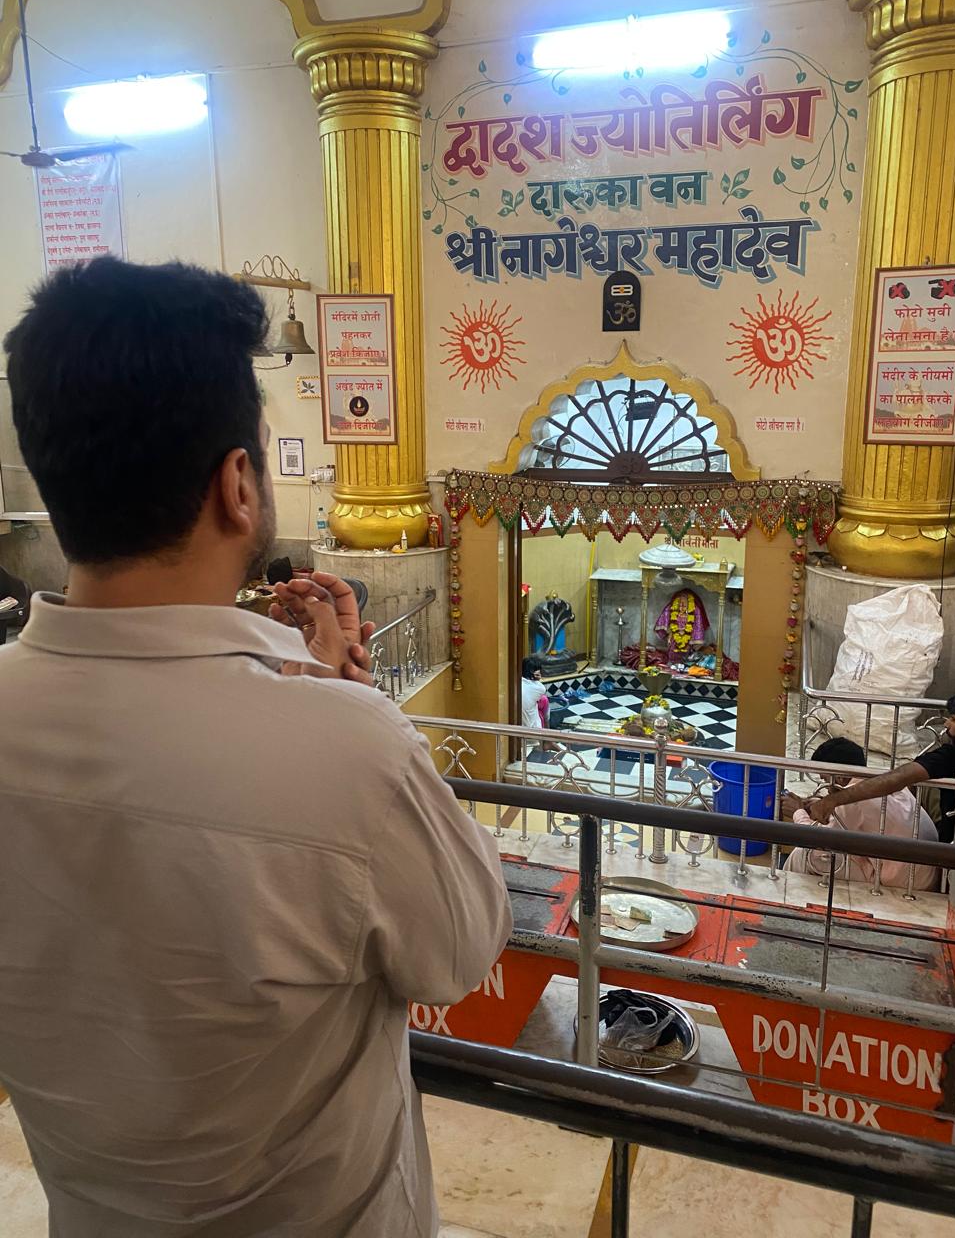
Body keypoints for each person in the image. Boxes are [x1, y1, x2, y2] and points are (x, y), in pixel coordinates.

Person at [0, 257, 513, 1238]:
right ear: (237, 483)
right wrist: (347, 707)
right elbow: (461, 948)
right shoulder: (349, 751)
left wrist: (324, 698)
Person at [782, 738, 939, 889]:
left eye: (825, 780)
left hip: (905, 883)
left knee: (804, 854)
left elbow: (817, 841)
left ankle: (785, 894)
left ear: (840, 776)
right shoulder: (885, 783)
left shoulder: (850, 800)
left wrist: (798, 812)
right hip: (927, 875)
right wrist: (820, 804)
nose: (825, 787)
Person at [805, 696, 955, 845]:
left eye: (953, 719)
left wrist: (829, 802)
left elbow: (899, 778)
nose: (946, 724)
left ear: (839, 777)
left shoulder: (951, 756)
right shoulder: (904, 791)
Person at [521, 655, 549, 729]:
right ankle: (547, 728)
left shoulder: (516, 682)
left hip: (519, 725)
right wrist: (538, 679)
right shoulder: (540, 688)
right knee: (544, 700)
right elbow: (540, 689)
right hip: (532, 727)